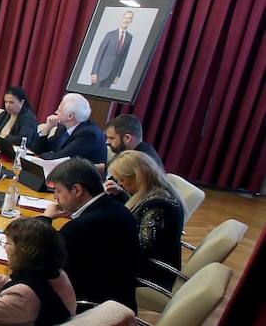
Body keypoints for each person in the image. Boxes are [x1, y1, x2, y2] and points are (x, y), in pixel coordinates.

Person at [40, 158, 140, 310]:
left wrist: (45, 219)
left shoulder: (81, 227)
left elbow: (40, 257)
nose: (55, 197)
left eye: (58, 190)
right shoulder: (116, 208)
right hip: (119, 305)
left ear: (77, 190)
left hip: (92, 312)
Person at [108, 150, 185, 291]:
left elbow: (142, 248)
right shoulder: (158, 193)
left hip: (152, 274)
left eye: (122, 180)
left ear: (138, 177)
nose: (120, 184)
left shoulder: (158, 206)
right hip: (150, 264)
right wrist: (122, 195)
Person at [31, 93, 106, 164]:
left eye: (59, 110)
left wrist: (40, 156)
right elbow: (37, 149)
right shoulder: (63, 128)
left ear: (70, 116)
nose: (56, 112)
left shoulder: (88, 134)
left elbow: (59, 159)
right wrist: (46, 129)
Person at [90, 10, 135, 88]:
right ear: (122, 18)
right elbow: (100, 54)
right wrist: (94, 72)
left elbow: (123, 58)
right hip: (100, 73)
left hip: (112, 75)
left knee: (103, 98)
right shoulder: (110, 34)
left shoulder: (129, 37)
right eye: (125, 17)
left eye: (129, 18)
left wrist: (117, 75)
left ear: (131, 20)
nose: (127, 20)